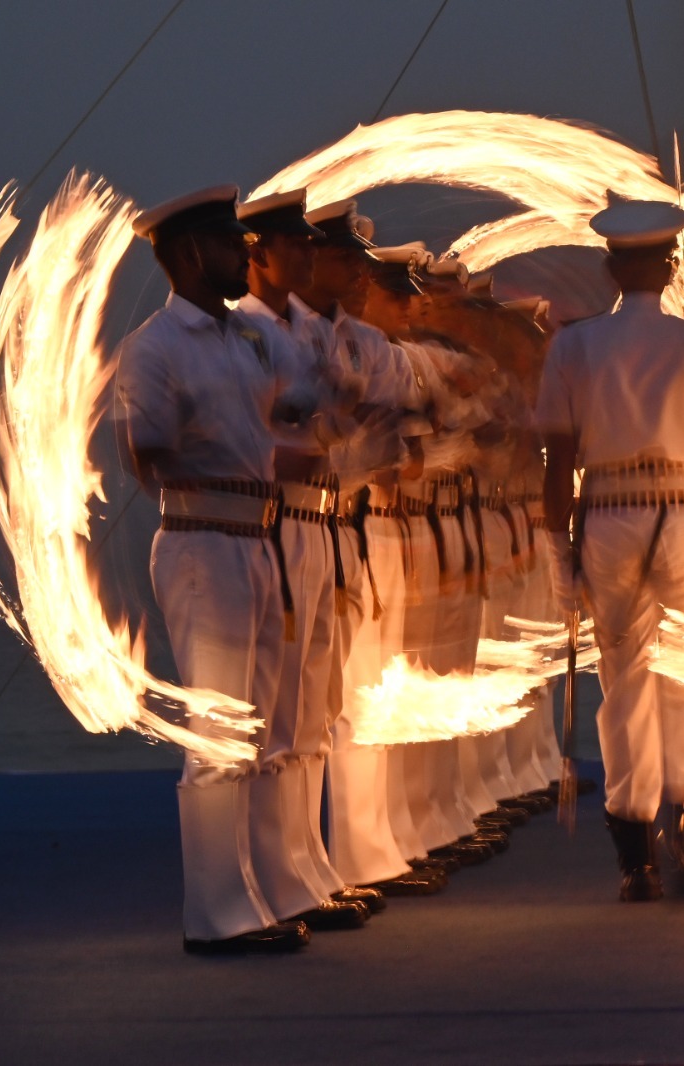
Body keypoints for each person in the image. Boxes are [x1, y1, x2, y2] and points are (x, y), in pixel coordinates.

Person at [115, 185, 321, 953]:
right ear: (194, 254)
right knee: (219, 733)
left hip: (255, 538)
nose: (246, 256)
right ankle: (215, 915)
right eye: (232, 245)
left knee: (259, 728)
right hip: (202, 543)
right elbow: (147, 446)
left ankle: (252, 896)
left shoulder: (248, 342)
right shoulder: (157, 347)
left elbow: (296, 407)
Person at [534, 197, 684, 901]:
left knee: (624, 683)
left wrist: (556, 549)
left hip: (609, 513)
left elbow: (558, 461)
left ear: (610, 268)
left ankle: (635, 857)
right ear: (673, 266)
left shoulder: (572, 345)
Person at [234, 188, 377, 927]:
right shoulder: (247, 333)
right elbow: (252, 437)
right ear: (257, 252)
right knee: (274, 710)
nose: (302, 255)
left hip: (322, 521)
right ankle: (270, 873)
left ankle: (303, 861)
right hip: (278, 523)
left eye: (306, 244)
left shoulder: (303, 333)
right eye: (292, 245)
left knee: (313, 707)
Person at [297, 200, 444, 897]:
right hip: (320, 521)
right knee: (319, 707)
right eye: (347, 265)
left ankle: (366, 851)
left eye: (365, 272)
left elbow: (409, 423)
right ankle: (331, 858)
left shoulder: (367, 346)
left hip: (358, 521)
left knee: (363, 696)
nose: (358, 281)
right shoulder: (283, 338)